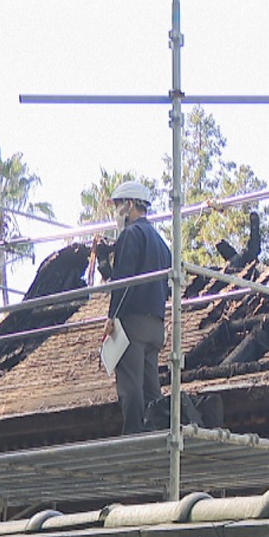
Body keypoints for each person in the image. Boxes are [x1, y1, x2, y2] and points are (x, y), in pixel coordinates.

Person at [102, 181, 172, 434]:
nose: (118, 211)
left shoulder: (131, 235)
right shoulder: (162, 243)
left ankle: (132, 436)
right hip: (156, 325)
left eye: (119, 205)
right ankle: (157, 432)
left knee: (130, 383)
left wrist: (113, 317)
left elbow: (124, 280)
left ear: (130, 205)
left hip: (132, 324)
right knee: (150, 386)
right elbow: (168, 288)